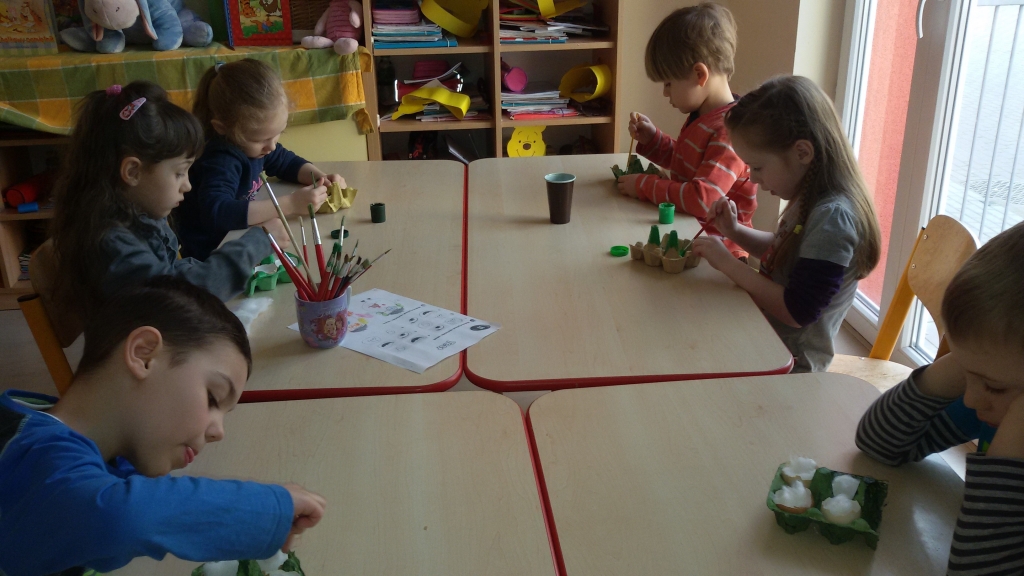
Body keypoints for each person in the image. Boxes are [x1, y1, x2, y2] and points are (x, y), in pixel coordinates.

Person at [0, 277, 326, 576]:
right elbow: (118, 516)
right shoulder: (28, 457)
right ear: (144, 355)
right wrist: (266, 507)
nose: (218, 432)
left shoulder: (85, 449)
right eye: (213, 398)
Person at [856, 221, 1024, 575]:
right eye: (968, 375)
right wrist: (952, 370)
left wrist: (1008, 458)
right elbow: (878, 444)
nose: (972, 400)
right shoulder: (993, 404)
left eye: (993, 387)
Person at [693, 75, 882, 372]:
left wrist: (729, 265)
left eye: (757, 167)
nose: (753, 178)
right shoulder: (810, 195)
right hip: (767, 339)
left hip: (791, 365)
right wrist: (734, 231)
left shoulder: (834, 218)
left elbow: (797, 311)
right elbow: (785, 251)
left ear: (802, 153)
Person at [50, 81, 274, 321]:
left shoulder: (136, 215)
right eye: (179, 173)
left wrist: (217, 267)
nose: (187, 185)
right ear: (133, 172)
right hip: (140, 342)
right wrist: (256, 244)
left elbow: (169, 272)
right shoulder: (110, 243)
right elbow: (178, 297)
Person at [617, 2, 757, 259]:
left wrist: (644, 186)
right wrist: (654, 140)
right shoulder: (703, 116)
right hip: (689, 237)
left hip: (721, 257)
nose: (665, 93)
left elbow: (701, 199)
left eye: (669, 83)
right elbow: (688, 165)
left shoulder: (730, 133)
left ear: (699, 74)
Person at [178, 58, 344, 260]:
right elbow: (218, 213)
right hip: (213, 256)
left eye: (278, 134)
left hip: (241, 240)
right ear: (222, 128)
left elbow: (285, 162)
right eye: (261, 140)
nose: (271, 146)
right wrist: (291, 204)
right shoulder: (220, 159)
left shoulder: (255, 147)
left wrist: (319, 178)